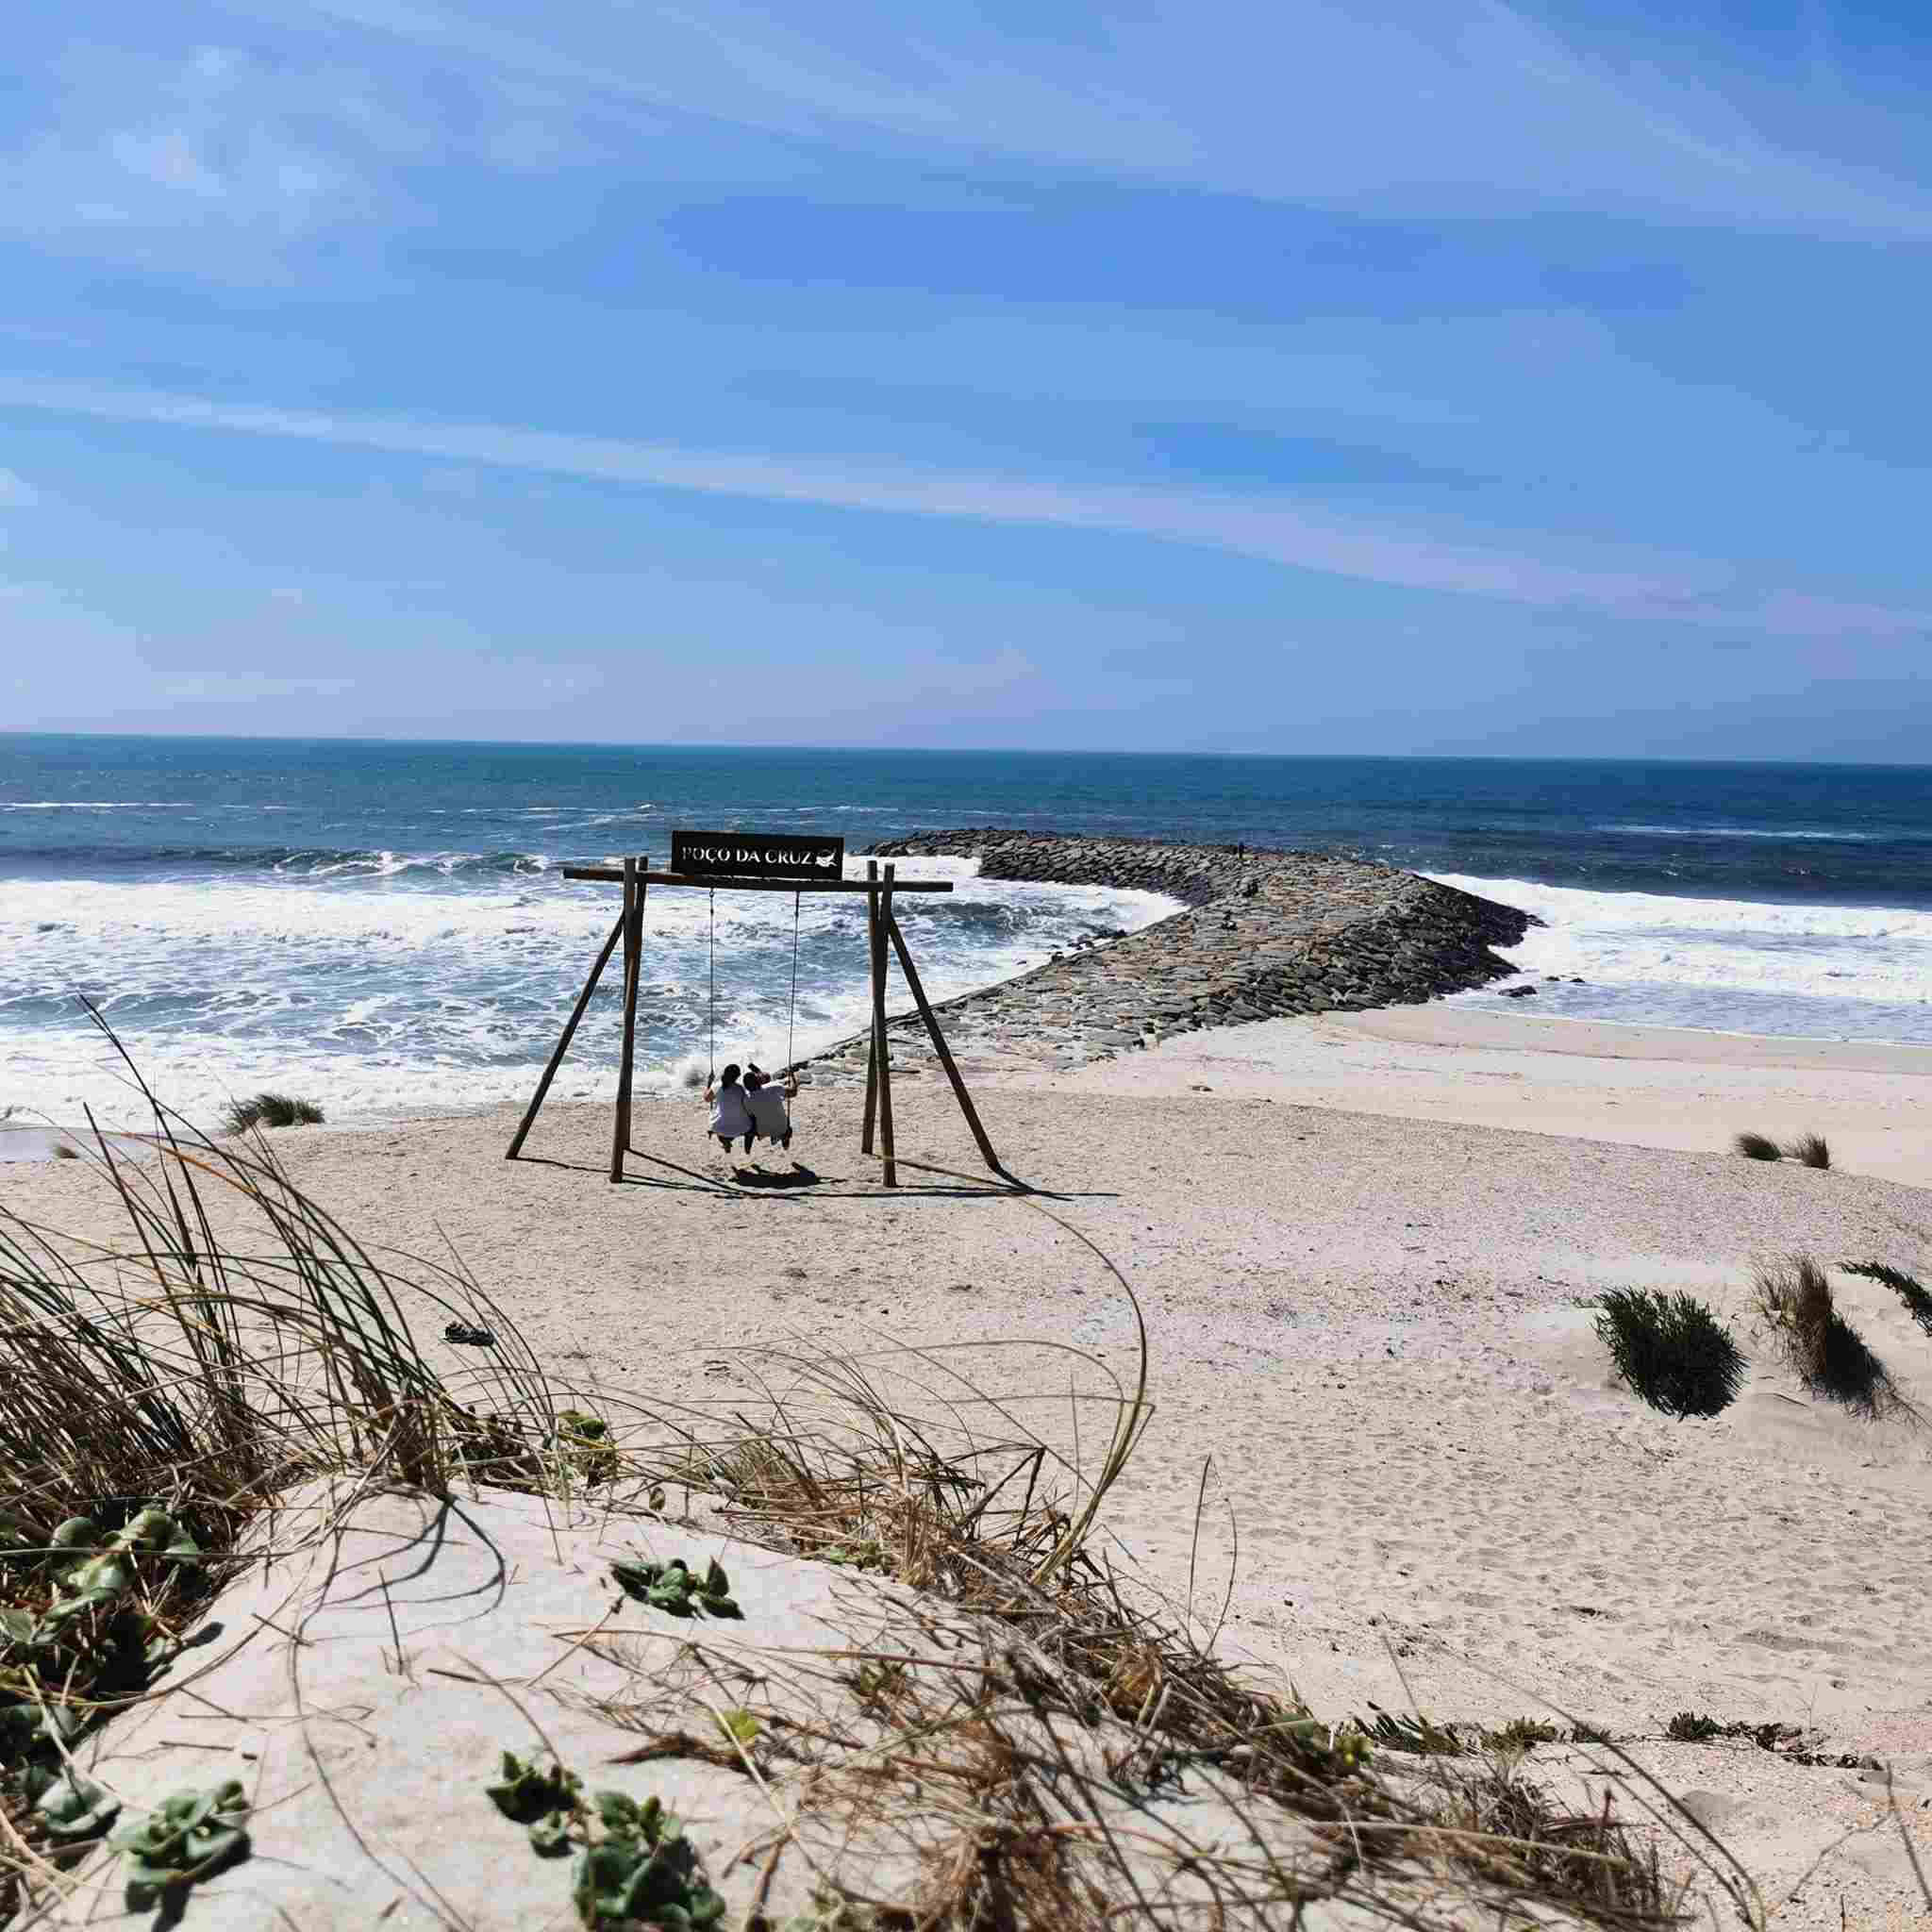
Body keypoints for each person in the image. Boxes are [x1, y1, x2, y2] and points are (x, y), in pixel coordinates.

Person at [741, 1063, 799, 1154]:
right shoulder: (774, 1087)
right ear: (759, 1081)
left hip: (762, 1131)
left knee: (750, 1123)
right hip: (782, 1128)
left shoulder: (746, 1099)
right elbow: (793, 1092)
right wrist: (792, 1076)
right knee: (786, 1121)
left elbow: (750, 1116)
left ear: (746, 1087)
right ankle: (785, 1144)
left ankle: (747, 1150)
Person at [704, 1063, 754, 1155]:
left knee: (716, 1116)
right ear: (738, 1076)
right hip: (741, 1128)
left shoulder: (717, 1086)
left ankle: (725, 1141)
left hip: (720, 1128)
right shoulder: (740, 1088)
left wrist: (709, 1083)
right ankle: (747, 1149)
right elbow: (747, 1104)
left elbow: (706, 1099)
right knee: (752, 1123)